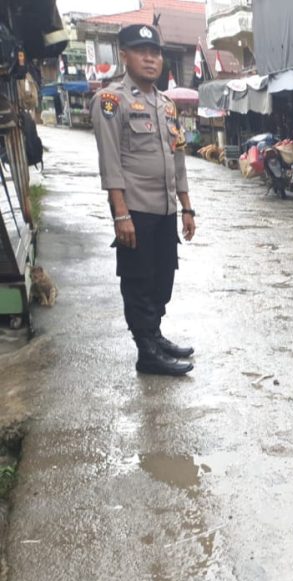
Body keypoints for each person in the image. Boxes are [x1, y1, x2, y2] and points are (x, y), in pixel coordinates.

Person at [90, 24, 196, 376]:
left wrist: (187, 207)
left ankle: (154, 334)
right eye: (141, 51)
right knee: (138, 281)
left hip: (165, 209)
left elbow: (178, 158)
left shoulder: (166, 105)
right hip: (134, 209)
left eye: (155, 52)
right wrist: (120, 214)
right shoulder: (111, 100)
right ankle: (146, 352)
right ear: (124, 55)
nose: (150, 59)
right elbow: (110, 162)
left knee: (163, 278)